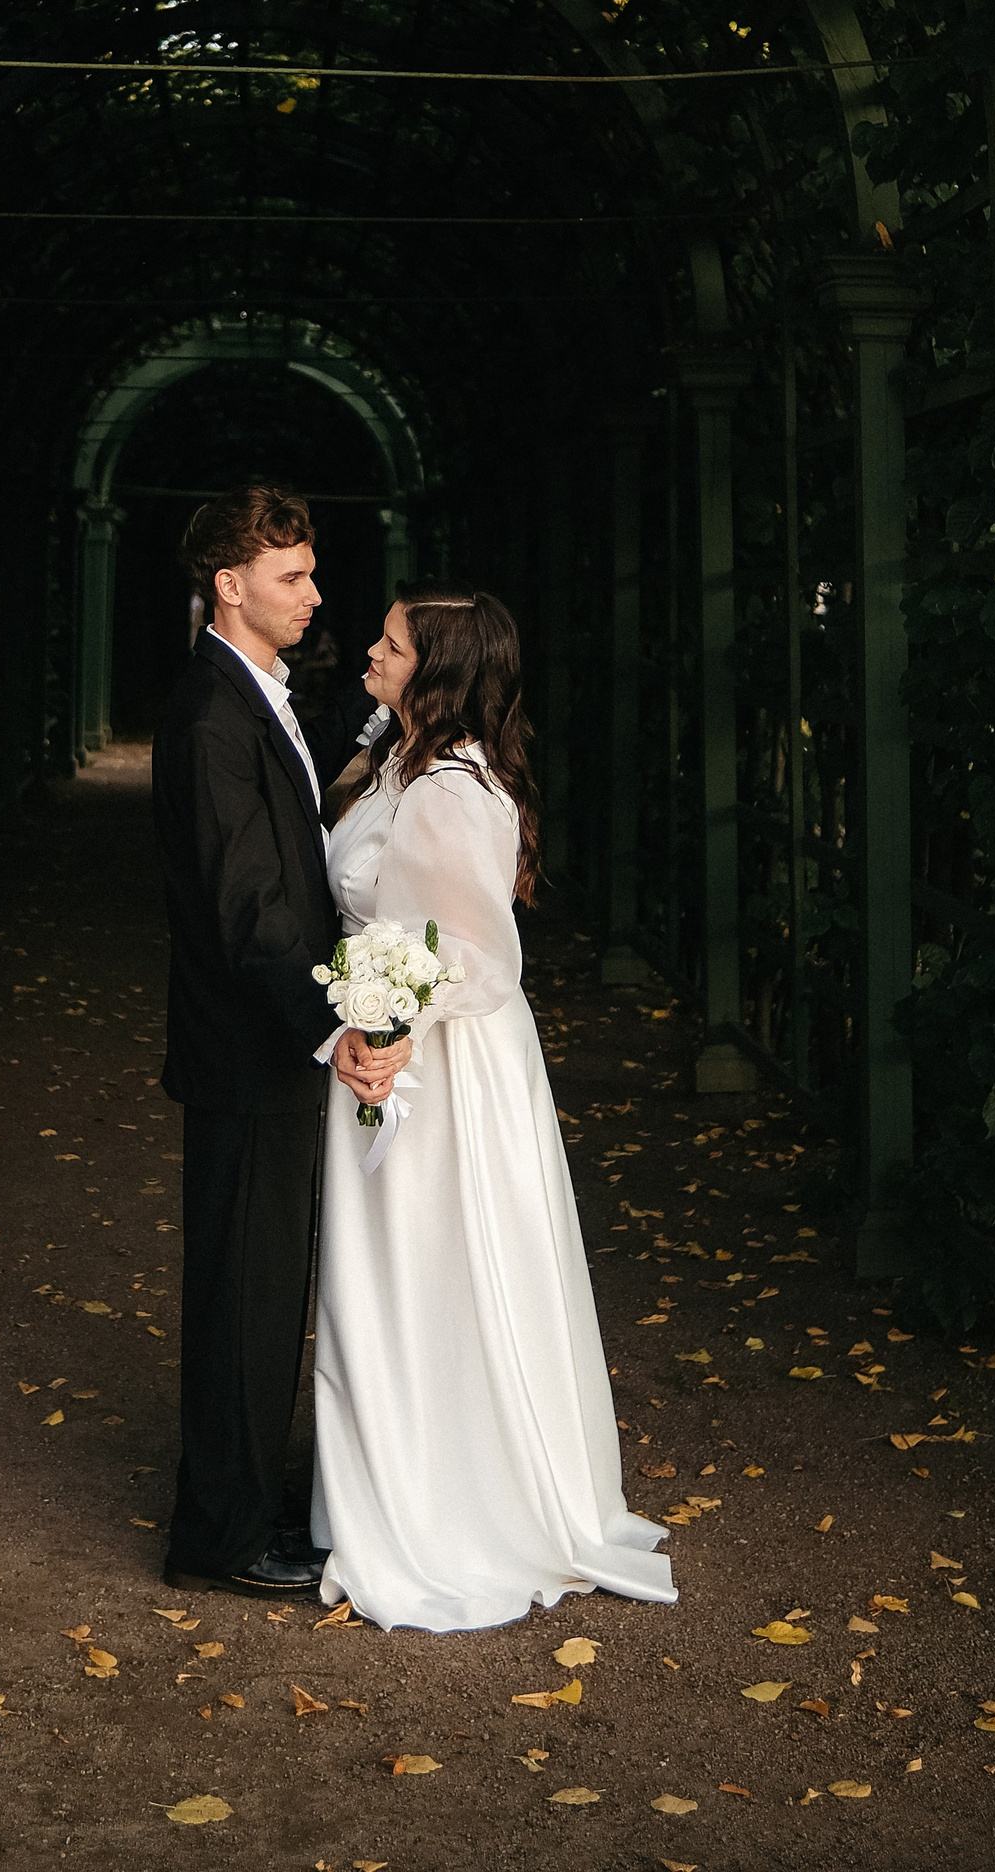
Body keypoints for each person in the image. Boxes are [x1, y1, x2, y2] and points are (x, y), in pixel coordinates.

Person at [310, 582, 677, 1632]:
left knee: (436, 1267)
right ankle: (397, 1472)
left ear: (436, 673)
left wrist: (388, 1028)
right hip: (403, 1039)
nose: (370, 655)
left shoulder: (448, 793)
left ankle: (446, 1501)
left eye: (390, 646)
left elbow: (475, 957)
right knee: (403, 1274)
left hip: (441, 1071)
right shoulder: (401, 764)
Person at [152, 482, 400, 1593]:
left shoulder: (256, 693)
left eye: (310, 571)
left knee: (261, 1290)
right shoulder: (212, 716)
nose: (313, 593)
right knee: (245, 1299)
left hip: (258, 1050)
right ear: (229, 584)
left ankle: (247, 1506)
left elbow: (303, 784)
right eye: (289, 575)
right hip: (249, 1053)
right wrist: (325, 1028)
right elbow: (245, 903)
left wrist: (386, 706)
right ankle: (224, 1537)